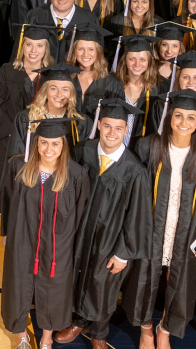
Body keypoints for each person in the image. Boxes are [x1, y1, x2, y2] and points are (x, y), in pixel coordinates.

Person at [124, 90, 196, 349]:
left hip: (186, 230)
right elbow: (132, 193)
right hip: (151, 229)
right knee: (144, 278)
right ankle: (146, 329)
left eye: (191, 117)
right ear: (169, 117)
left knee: (180, 279)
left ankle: (165, 329)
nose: (184, 122)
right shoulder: (148, 146)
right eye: (179, 115)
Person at [55, 98, 148, 347]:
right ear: (99, 125)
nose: (112, 133)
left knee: (103, 285)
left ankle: (99, 335)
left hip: (110, 239)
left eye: (118, 128)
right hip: (79, 233)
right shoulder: (82, 152)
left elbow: (137, 216)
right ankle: (77, 321)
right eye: (107, 126)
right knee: (75, 276)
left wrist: (123, 254)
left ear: (126, 130)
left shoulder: (134, 170)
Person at [0, 117, 92, 349]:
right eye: (43, 143)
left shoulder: (76, 174)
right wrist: (6, 233)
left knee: (54, 287)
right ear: (36, 144)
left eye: (54, 144)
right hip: (23, 237)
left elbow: (81, 213)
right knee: (18, 283)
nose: (48, 149)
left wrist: (73, 246)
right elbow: (7, 202)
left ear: (63, 146)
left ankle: (47, 337)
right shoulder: (19, 167)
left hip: (57, 242)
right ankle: (21, 336)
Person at [0, 25, 55, 216]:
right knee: (8, 178)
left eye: (39, 46)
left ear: (46, 49)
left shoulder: (51, 75)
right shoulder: (7, 71)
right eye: (29, 44)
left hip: (41, 139)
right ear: (22, 46)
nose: (34, 51)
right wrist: (13, 132)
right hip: (10, 136)